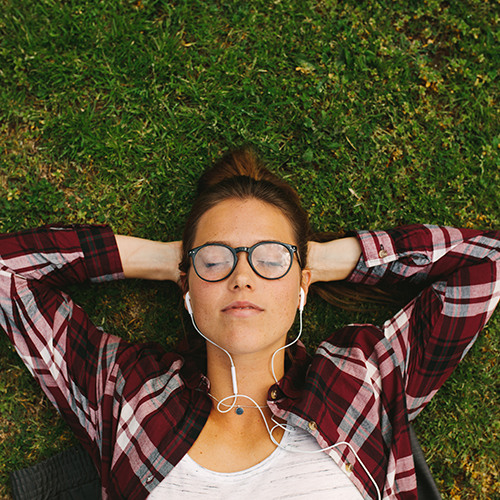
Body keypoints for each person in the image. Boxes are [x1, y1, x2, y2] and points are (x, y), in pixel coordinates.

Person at [1, 147, 499, 500]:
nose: (242, 277)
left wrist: (328, 260)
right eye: (216, 260)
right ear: (187, 285)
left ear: (302, 284)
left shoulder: (361, 380)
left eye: (269, 259)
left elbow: (487, 262)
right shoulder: (126, 392)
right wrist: (160, 260)